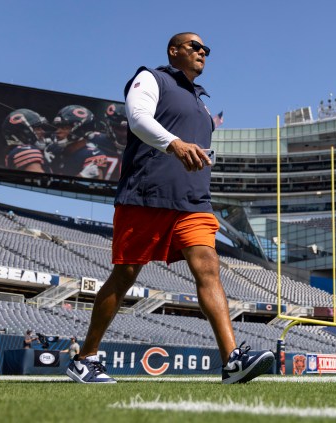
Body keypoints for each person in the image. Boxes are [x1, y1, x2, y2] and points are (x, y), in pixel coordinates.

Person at [66, 32, 274, 384]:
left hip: (192, 200)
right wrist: (175, 144)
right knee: (125, 274)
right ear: (173, 50)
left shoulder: (201, 101)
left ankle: (232, 361)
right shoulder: (151, 77)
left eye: (206, 49)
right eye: (195, 46)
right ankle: (85, 357)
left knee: (208, 267)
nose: (203, 52)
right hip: (146, 194)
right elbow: (138, 119)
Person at [44, 105, 108, 179]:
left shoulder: (93, 156)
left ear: (81, 131)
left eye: (64, 128)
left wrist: (82, 177)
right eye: (58, 127)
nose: (58, 131)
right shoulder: (52, 149)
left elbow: (93, 188)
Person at [2, 109, 51, 173]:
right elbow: (39, 180)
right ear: (22, 134)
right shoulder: (25, 150)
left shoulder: (16, 151)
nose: (43, 132)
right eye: (38, 129)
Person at [93, 103, 128, 181]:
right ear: (109, 125)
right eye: (120, 129)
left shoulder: (144, 147)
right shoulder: (94, 141)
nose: (124, 134)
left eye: (128, 129)